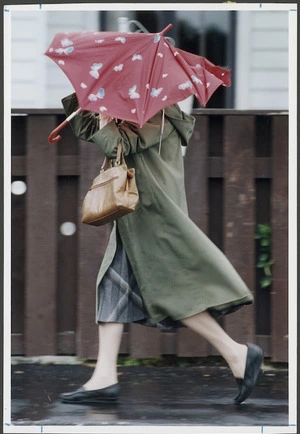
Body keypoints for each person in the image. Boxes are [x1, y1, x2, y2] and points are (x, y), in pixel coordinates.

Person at [60, 93, 263, 405]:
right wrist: (88, 99)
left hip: (154, 215)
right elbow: (88, 131)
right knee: (112, 288)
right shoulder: (128, 106)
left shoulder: (159, 109)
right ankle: (104, 376)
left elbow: (116, 146)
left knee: (171, 292)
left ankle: (237, 352)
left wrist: (103, 118)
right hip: (136, 217)